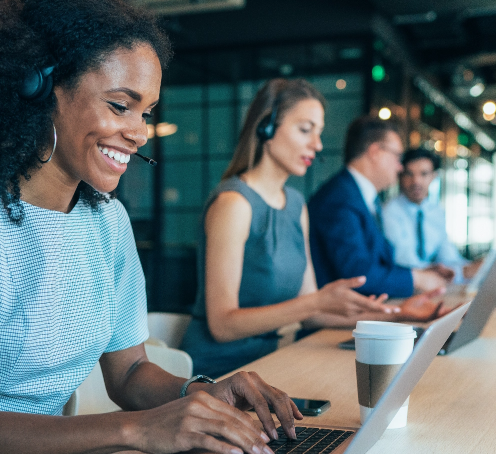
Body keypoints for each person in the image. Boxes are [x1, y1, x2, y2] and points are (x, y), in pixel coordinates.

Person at [0, 2, 301, 454]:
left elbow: (130, 371)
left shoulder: (105, 220)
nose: (138, 133)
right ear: (40, 90)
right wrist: (136, 430)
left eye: (147, 112)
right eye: (119, 105)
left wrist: (200, 394)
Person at [180, 80, 444, 379]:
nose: (317, 145)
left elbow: (312, 314)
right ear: (266, 127)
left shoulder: (295, 204)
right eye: (306, 130)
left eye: (318, 133)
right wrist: (316, 300)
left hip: (274, 363)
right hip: (220, 375)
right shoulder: (234, 203)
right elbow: (223, 325)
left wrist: (399, 314)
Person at [308, 116, 451, 298]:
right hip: (334, 321)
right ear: (375, 152)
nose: (400, 167)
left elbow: (375, 263)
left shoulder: (364, 197)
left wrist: (421, 272)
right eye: (397, 156)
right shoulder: (339, 199)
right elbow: (357, 275)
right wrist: (416, 278)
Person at [381, 148, 481, 282]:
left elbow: (447, 255)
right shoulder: (389, 212)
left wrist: (472, 267)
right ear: (401, 176)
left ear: (434, 176)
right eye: (409, 174)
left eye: (423, 174)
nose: (416, 181)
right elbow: (408, 264)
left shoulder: (436, 211)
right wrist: (461, 272)